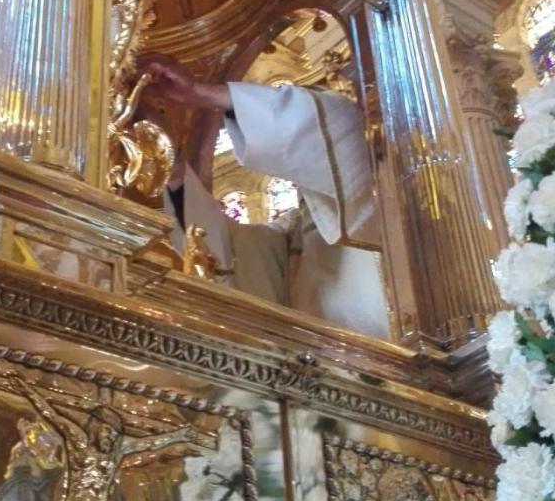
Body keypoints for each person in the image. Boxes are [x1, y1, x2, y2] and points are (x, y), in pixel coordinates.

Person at [139, 55, 391, 340]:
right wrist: (174, 166)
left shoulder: (386, 181)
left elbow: (341, 126)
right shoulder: (295, 231)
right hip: (320, 369)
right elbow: (229, 257)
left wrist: (204, 94)